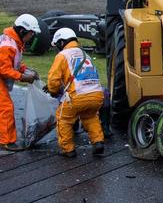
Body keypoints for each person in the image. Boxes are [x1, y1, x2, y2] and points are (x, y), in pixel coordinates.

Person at [46, 28, 104, 157]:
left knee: (63, 119)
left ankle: (68, 149)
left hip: (77, 97)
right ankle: (98, 141)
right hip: (97, 95)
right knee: (90, 117)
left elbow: (53, 79)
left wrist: (53, 91)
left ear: (61, 42)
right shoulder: (85, 55)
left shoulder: (62, 56)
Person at [0, 14, 40, 151]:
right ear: (23, 31)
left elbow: (14, 62)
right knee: (6, 108)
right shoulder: (8, 45)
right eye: (31, 33)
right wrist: (23, 77)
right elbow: (4, 69)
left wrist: (27, 70)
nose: (32, 36)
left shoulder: (14, 42)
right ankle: (7, 141)